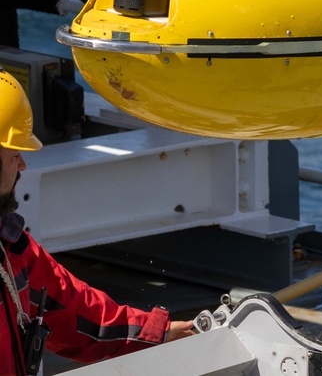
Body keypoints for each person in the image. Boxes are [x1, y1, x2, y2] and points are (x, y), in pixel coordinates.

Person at [0, 70, 195, 375]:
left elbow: (73, 311)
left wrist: (155, 333)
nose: (23, 164)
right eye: (14, 153)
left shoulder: (11, 246)